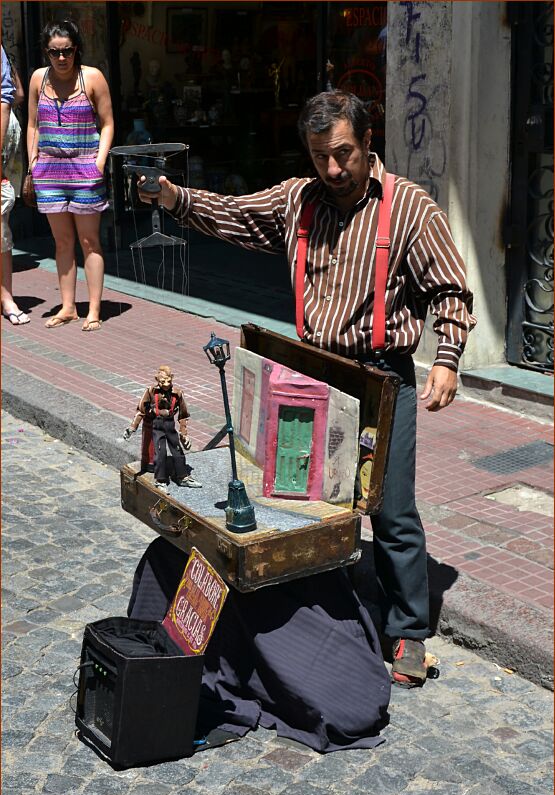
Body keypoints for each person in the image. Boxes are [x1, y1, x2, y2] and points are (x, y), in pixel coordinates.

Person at [138, 90, 476, 688]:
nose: (334, 169)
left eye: (343, 153)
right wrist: (174, 198)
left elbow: (449, 289)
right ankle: (323, 611)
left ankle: (408, 631)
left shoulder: (410, 209)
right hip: (314, 372)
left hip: (379, 380)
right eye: (321, 156)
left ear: (368, 142)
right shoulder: (299, 200)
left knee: (390, 509)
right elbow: (235, 212)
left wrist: (446, 360)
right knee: (305, 496)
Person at [27, 19, 113, 331]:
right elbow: (33, 124)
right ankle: (67, 307)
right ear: (46, 52)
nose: (61, 58)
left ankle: (92, 310)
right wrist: (32, 163)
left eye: (67, 51)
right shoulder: (39, 78)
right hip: (49, 170)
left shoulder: (92, 77)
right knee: (62, 242)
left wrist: (99, 163)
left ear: (76, 49)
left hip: (85, 167)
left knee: (90, 240)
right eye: (54, 52)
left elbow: (107, 123)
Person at [123, 365, 202, 492]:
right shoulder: (151, 391)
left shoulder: (177, 393)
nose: (166, 384)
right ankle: (160, 480)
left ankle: (182, 477)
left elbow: (183, 415)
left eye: (168, 381)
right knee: (160, 452)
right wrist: (132, 427)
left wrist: (184, 433)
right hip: (157, 425)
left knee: (177, 450)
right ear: (157, 380)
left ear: (172, 378)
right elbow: (141, 411)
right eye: (162, 381)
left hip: (170, 425)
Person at [1, 44, 29, 325]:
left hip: (4, 152)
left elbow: (14, 94)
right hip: (7, 151)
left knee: (1, 227)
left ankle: (6, 296)